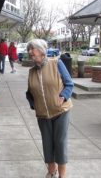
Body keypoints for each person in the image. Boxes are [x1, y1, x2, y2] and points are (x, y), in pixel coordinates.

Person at [26, 39, 73, 178]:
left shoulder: (56, 63)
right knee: (47, 144)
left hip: (61, 111)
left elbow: (69, 84)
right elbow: (29, 92)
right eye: (29, 50)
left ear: (41, 50)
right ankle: (51, 171)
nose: (30, 52)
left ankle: (62, 175)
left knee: (60, 143)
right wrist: (34, 105)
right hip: (42, 114)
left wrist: (63, 96)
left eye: (32, 49)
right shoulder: (32, 71)